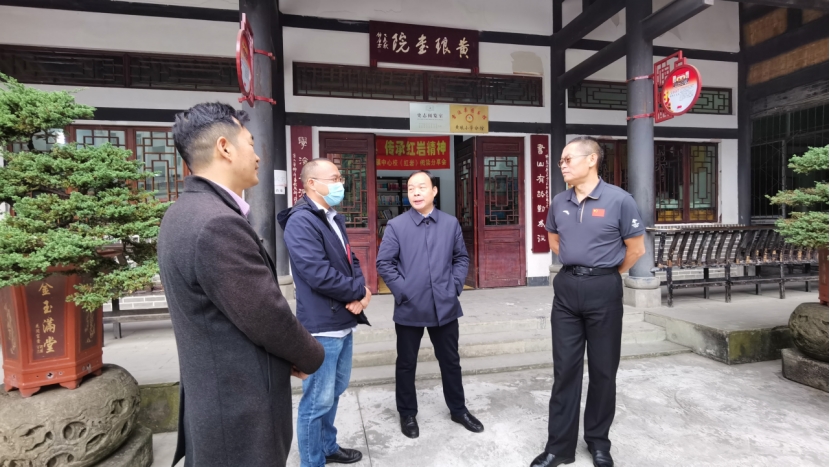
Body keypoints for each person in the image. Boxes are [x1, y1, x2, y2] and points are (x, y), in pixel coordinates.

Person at [158, 102, 325, 467]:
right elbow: (266, 314)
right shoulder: (217, 223)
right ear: (225, 148)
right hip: (237, 410)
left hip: (215, 400)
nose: (258, 155)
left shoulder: (182, 211)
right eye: (250, 143)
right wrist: (310, 355)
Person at [530, 136, 646, 467]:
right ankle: (559, 448)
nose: (562, 166)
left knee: (603, 370)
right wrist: (579, 265)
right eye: (561, 161)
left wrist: (606, 272)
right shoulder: (559, 202)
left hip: (604, 289)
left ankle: (598, 442)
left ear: (592, 159)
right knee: (565, 370)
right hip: (567, 290)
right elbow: (555, 241)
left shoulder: (619, 200)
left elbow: (636, 249)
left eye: (568, 159)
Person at [376, 170, 484, 439]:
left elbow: (461, 258)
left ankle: (458, 410)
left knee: (450, 361)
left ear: (434, 191)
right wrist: (403, 291)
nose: (415, 192)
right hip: (409, 306)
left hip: (444, 306)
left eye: (421, 187)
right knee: (406, 363)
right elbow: (384, 263)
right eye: (411, 188)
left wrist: (454, 286)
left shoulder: (450, 223)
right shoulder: (397, 226)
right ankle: (407, 413)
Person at [278, 158, 372, 467]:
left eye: (340, 177)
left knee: (334, 391)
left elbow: (351, 260)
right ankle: (312, 461)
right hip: (322, 326)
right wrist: (358, 292)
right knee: (316, 401)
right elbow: (317, 273)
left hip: (343, 320)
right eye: (333, 178)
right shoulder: (301, 221)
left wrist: (362, 292)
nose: (340, 183)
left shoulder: (332, 217)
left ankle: (328, 446)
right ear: (311, 184)